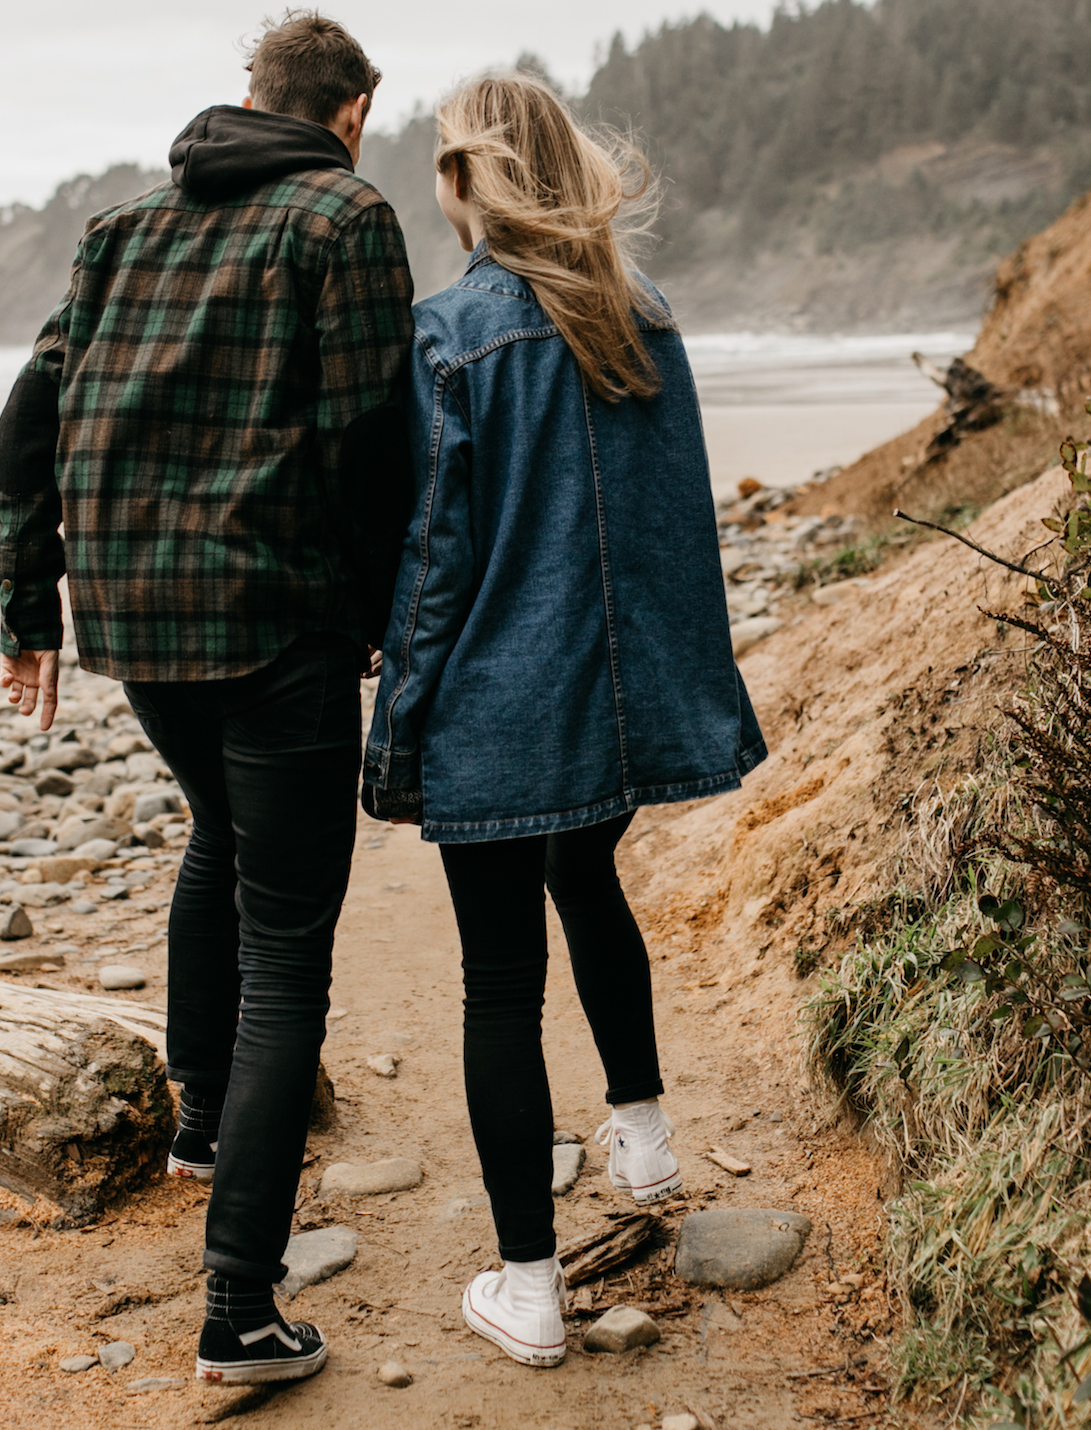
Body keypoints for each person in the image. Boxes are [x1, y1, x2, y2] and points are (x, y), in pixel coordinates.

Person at [0, 10, 417, 1388]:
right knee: (289, 944)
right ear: (355, 107)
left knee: (217, 842)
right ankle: (239, 1307)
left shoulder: (122, 230)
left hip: (135, 625)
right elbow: (369, 439)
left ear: (250, 96)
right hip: (273, 623)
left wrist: (26, 609)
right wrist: (380, 616)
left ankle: (196, 1119)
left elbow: (24, 422)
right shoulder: (344, 219)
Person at [361, 71, 767, 1369]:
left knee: (496, 982)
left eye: (440, 161)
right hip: (614, 699)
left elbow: (432, 560)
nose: (435, 183)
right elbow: (671, 530)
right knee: (587, 878)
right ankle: (641, 1135)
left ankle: (529, 1292)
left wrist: (399, 727)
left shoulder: (452, 333)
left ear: (472, 175)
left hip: (498, 700)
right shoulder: (640, 318)